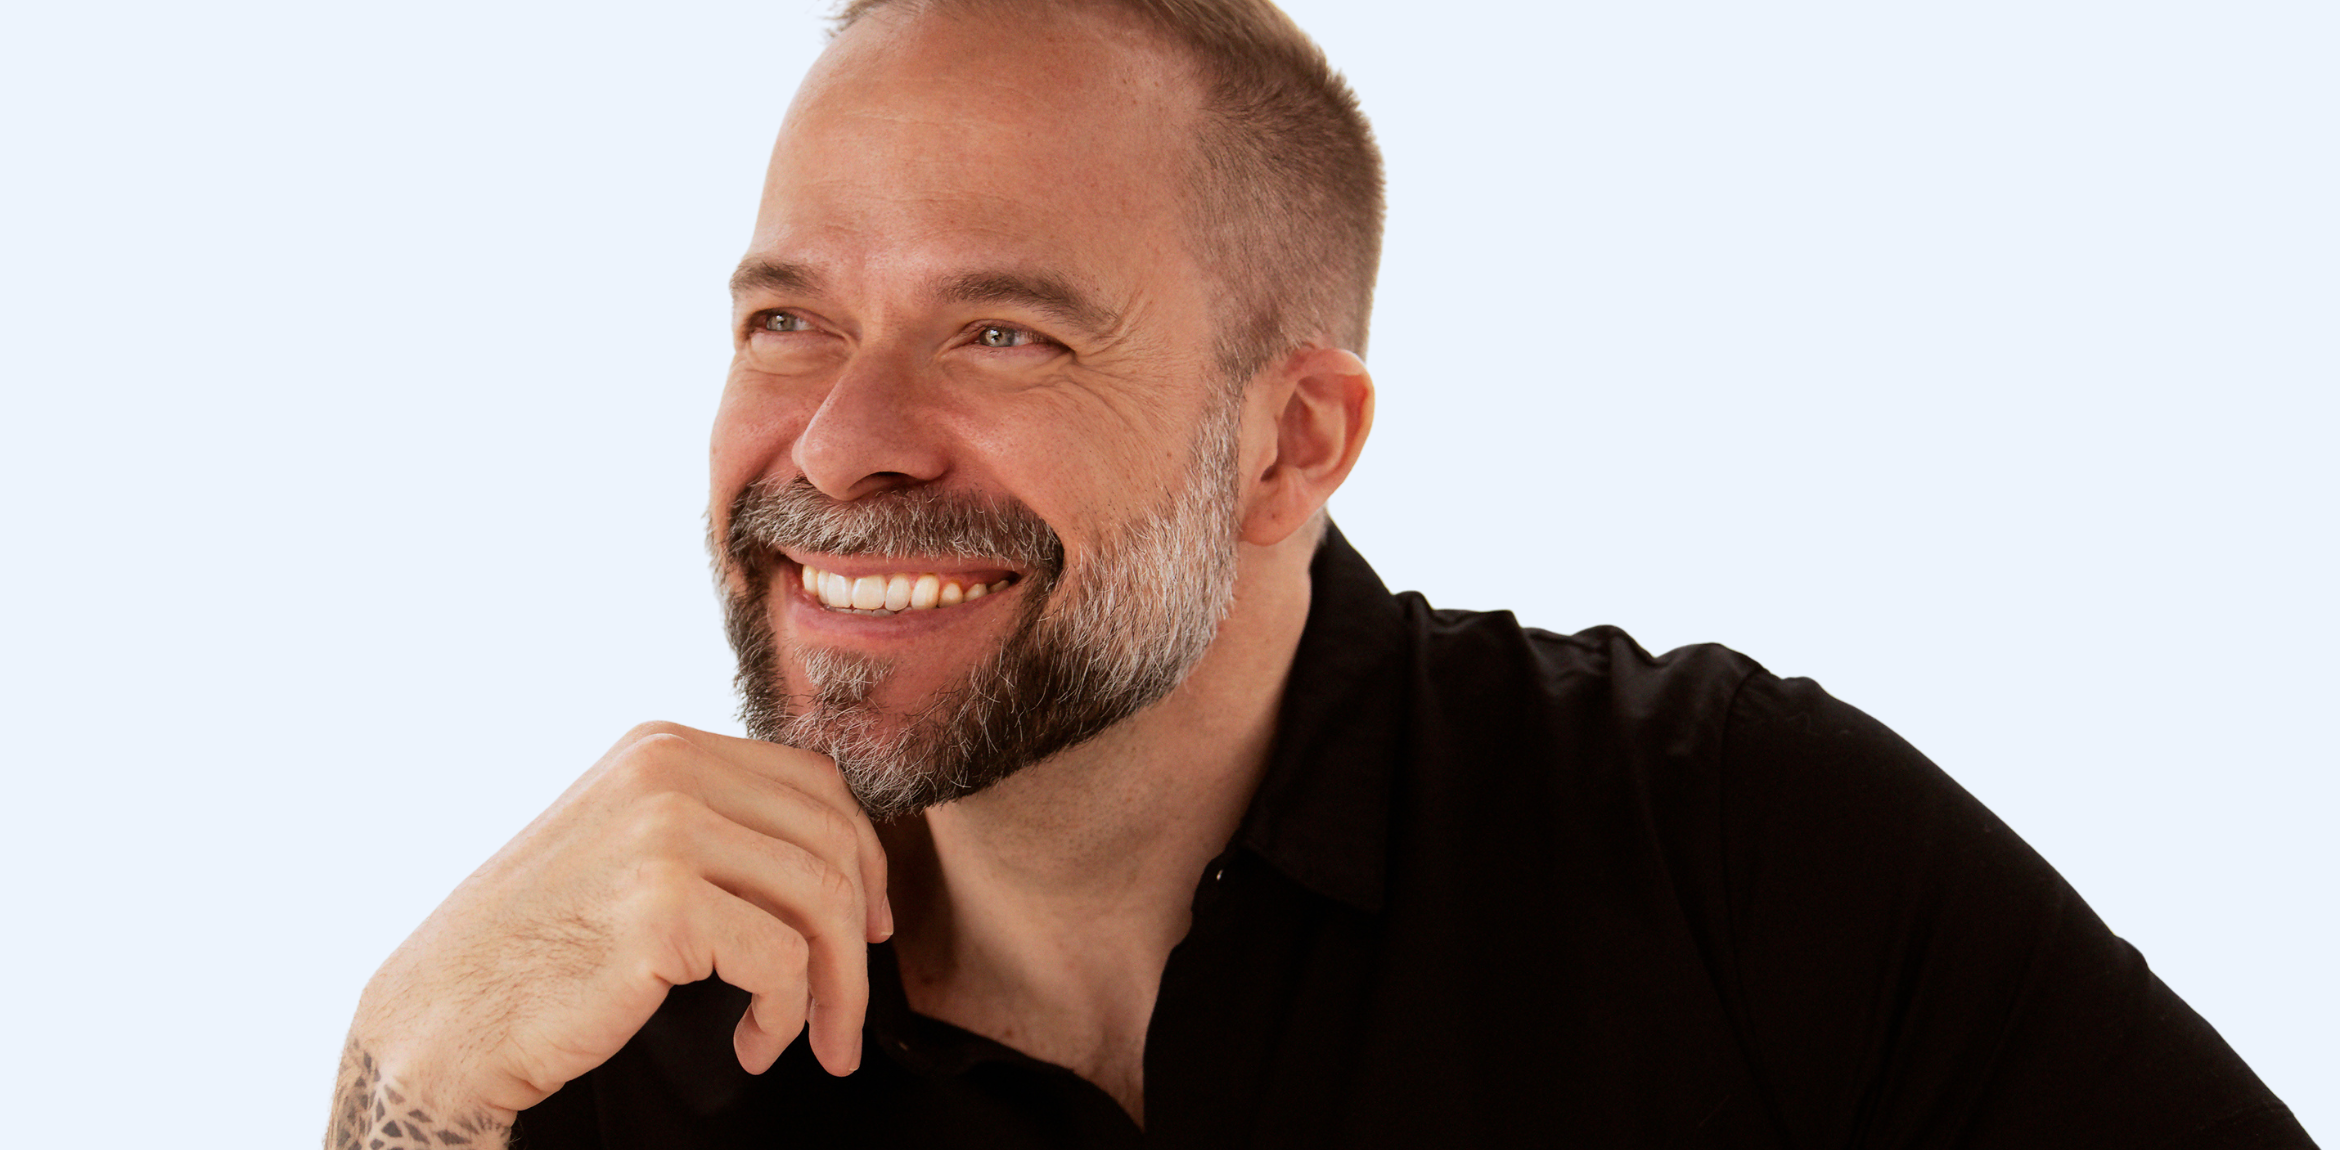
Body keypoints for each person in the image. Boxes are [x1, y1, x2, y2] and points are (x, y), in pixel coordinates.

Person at [327, 1, 2317, 1147]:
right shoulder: (615, 1040)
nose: (842, 441)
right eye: (784, 320)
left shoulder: (1734, 849)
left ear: (1291, 442)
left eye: (1003, 332)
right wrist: (393, 1103)